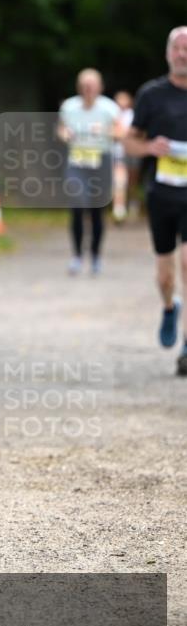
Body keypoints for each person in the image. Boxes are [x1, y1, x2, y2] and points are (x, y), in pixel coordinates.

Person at [124, 27, 187, 377]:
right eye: (178, 48)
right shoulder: (151, 95)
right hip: (162, 193)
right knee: (166, 275)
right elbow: (129, 143)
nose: (183, 54)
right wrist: (150, 148)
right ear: (168, 54)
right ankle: (168, 306)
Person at [58, 69, 123, 275]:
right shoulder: (69, 106)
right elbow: (60, 129)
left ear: (100, 87)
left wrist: (104, 131)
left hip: (100, 161)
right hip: (77, 161)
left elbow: (121, 132)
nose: (88, 89)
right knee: (77, 206)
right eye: (84, 85)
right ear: (79, 87)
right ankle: (77, 255)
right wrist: (65, 134)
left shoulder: (109, 108)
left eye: (92, 85)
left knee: (96, 211)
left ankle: (95, 256)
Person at [112, 90, 139, 222]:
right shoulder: (113, 115)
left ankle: (133, 203)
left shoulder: (133, 115)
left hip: (133, 152)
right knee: (120, 181)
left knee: (132, 182)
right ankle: (119, 208)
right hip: (119, 152)